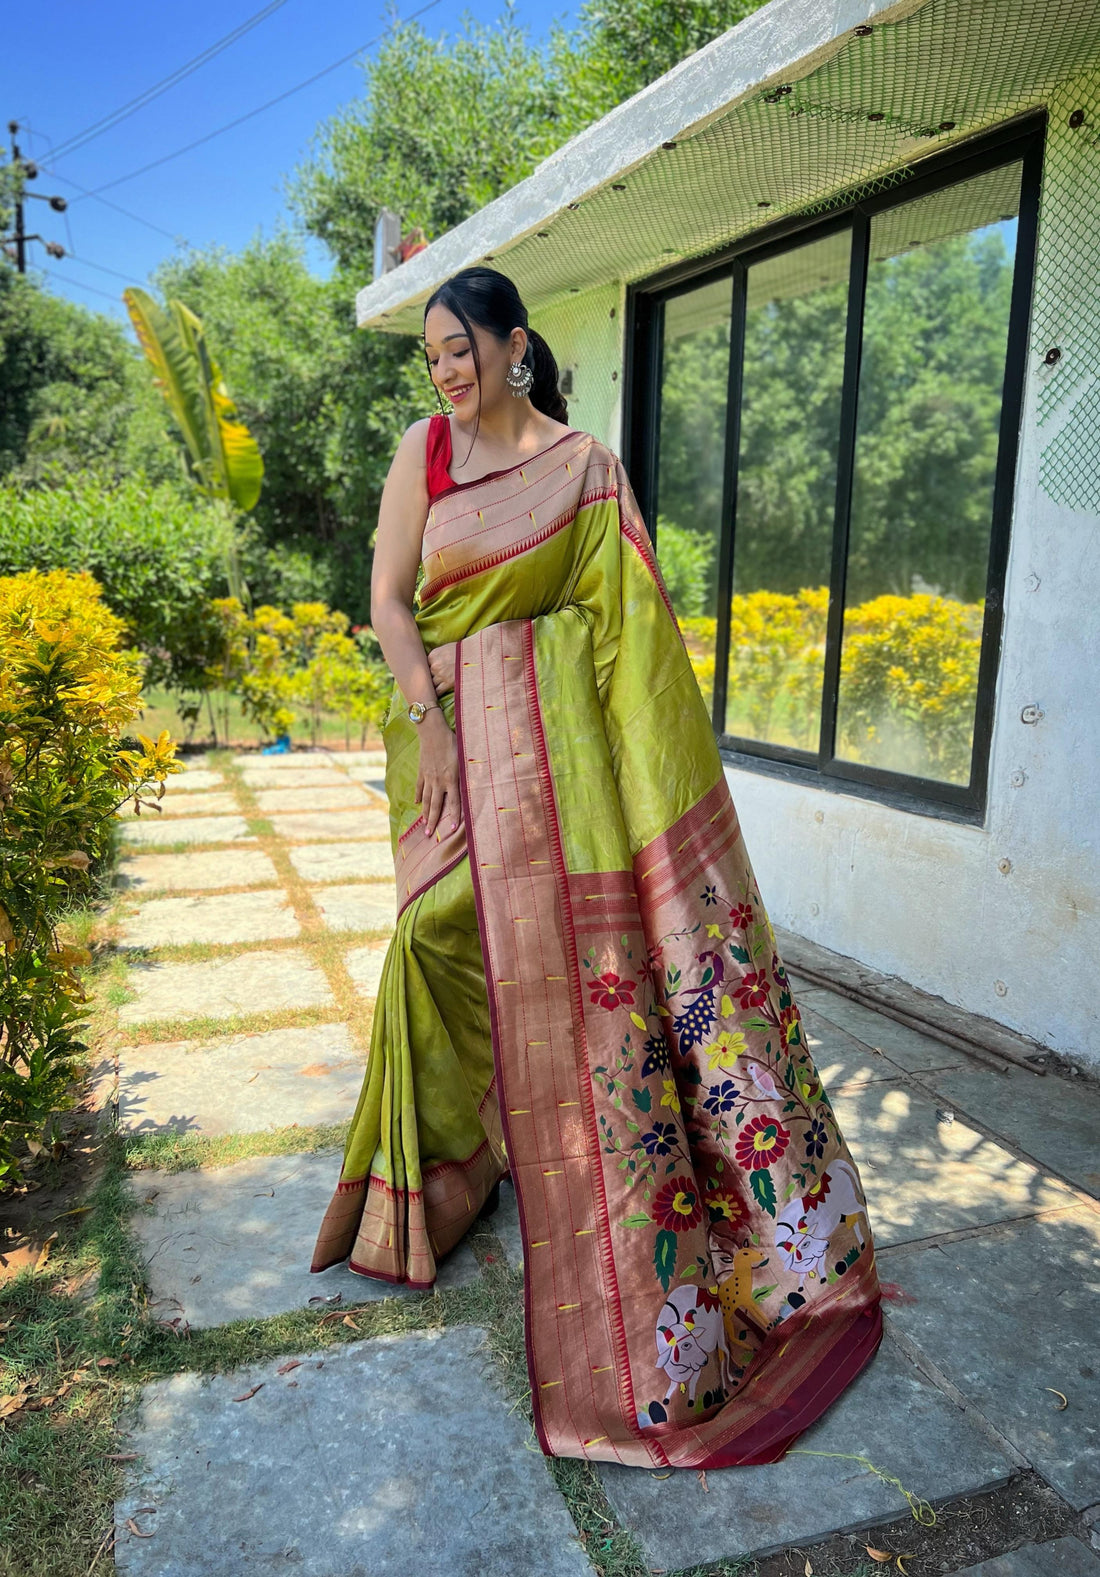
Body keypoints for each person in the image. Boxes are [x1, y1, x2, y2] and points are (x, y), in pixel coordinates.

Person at [312, 266, 881, 1467]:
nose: (444, 372)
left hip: (565, 770)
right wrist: (426, 717)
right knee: (430, 939)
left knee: (572, 973)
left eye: (458, 348)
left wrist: (596, 745)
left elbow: (630, 641)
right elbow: (388, 597)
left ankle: (577, 1172)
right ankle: (438, 1187)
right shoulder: (423, 450)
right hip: (450, 742)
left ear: (514, 345)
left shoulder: (583, 469)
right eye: (430, 356)